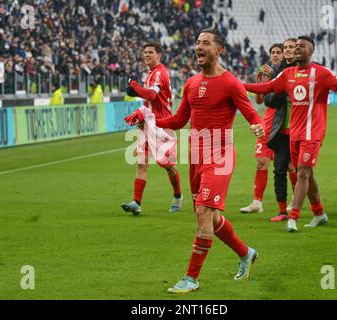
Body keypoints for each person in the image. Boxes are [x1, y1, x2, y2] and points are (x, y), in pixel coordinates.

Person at [153, 28, 265, 293]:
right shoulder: (191, 83)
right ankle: (246, 253)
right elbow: (179, 120)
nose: (198, 47)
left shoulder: (231, 83)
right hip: (196, 157)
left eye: (205, 43)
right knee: (210, 218)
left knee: (203, 213)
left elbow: (252, 114)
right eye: (197, 42)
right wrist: (149, 120)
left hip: (220, 155)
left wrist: (258, 126)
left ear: (219, 50)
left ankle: (191, 278)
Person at [244, 36, 337, 232]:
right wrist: (240, 85)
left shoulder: (321, 73)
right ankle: (319, 212)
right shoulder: (287, 74)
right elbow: (266, 88)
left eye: (300, 46)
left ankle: (292, 217)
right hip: (294, 134)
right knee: (307, 173)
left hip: (313, 133)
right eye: (295, 46)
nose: (296, 49)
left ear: (310, 51)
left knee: (302, 172)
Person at [121, 42, 183, 215]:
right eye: (145, 52)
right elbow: (147, 97)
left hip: (162, 125)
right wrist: (136, 92)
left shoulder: (160, 73)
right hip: (147, 124)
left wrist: (135, 86)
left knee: (168, 166)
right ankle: (136, 202)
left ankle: (178, 196)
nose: (146, 55)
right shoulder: (150, 74)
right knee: (141, 163)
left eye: (150, 52)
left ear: (159, 55)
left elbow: (151, 95)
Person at [240, 43, 296, 216]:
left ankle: (295, 200)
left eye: (279, 52)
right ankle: (257, 202)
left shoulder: (286, 74)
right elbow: (258, 101)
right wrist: (258, 82)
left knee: (289, 166)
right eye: (273, 52)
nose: (276, 55)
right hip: (266, 124)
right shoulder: (268, 75)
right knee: (261, 162)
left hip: (283, 125)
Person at [263, 38, 299, 222]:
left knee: (302, 171)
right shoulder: (277, 72)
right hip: (282, 131)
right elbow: (268, 100)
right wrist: (282, 88)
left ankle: (301, 206)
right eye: (285, 47)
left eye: (291, 47)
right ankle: (283, 211)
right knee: (279, 170)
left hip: (300, 131)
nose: (287, 50)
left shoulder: (306, 69)